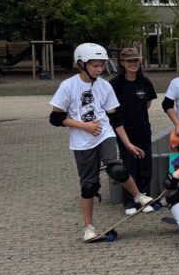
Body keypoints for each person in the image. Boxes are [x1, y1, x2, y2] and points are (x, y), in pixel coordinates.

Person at [49, 43, 153, 242]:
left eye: (102, 65)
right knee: (89, 186)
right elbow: (55, 118)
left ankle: (138, 195)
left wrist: (128, 144)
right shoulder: (68, 86)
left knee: (117, 169)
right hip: (82, 142)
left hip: (105, 134)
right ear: (81, 64)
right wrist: (84, 126)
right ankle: (88, 227)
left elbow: (114, 118)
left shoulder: (104, 86)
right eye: (95, 65)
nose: (100, 69)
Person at [108, 46, 157, 215]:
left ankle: (145, 198)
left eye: (136, 60)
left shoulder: (145, 82)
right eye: (129, 61)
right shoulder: (115, 84)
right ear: (122, 63)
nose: (133, 64)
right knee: (128, 168)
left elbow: (147, 104)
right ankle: (129, 201)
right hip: (124, 134)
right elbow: (110, 110)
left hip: (143, 131)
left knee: (145, 168)